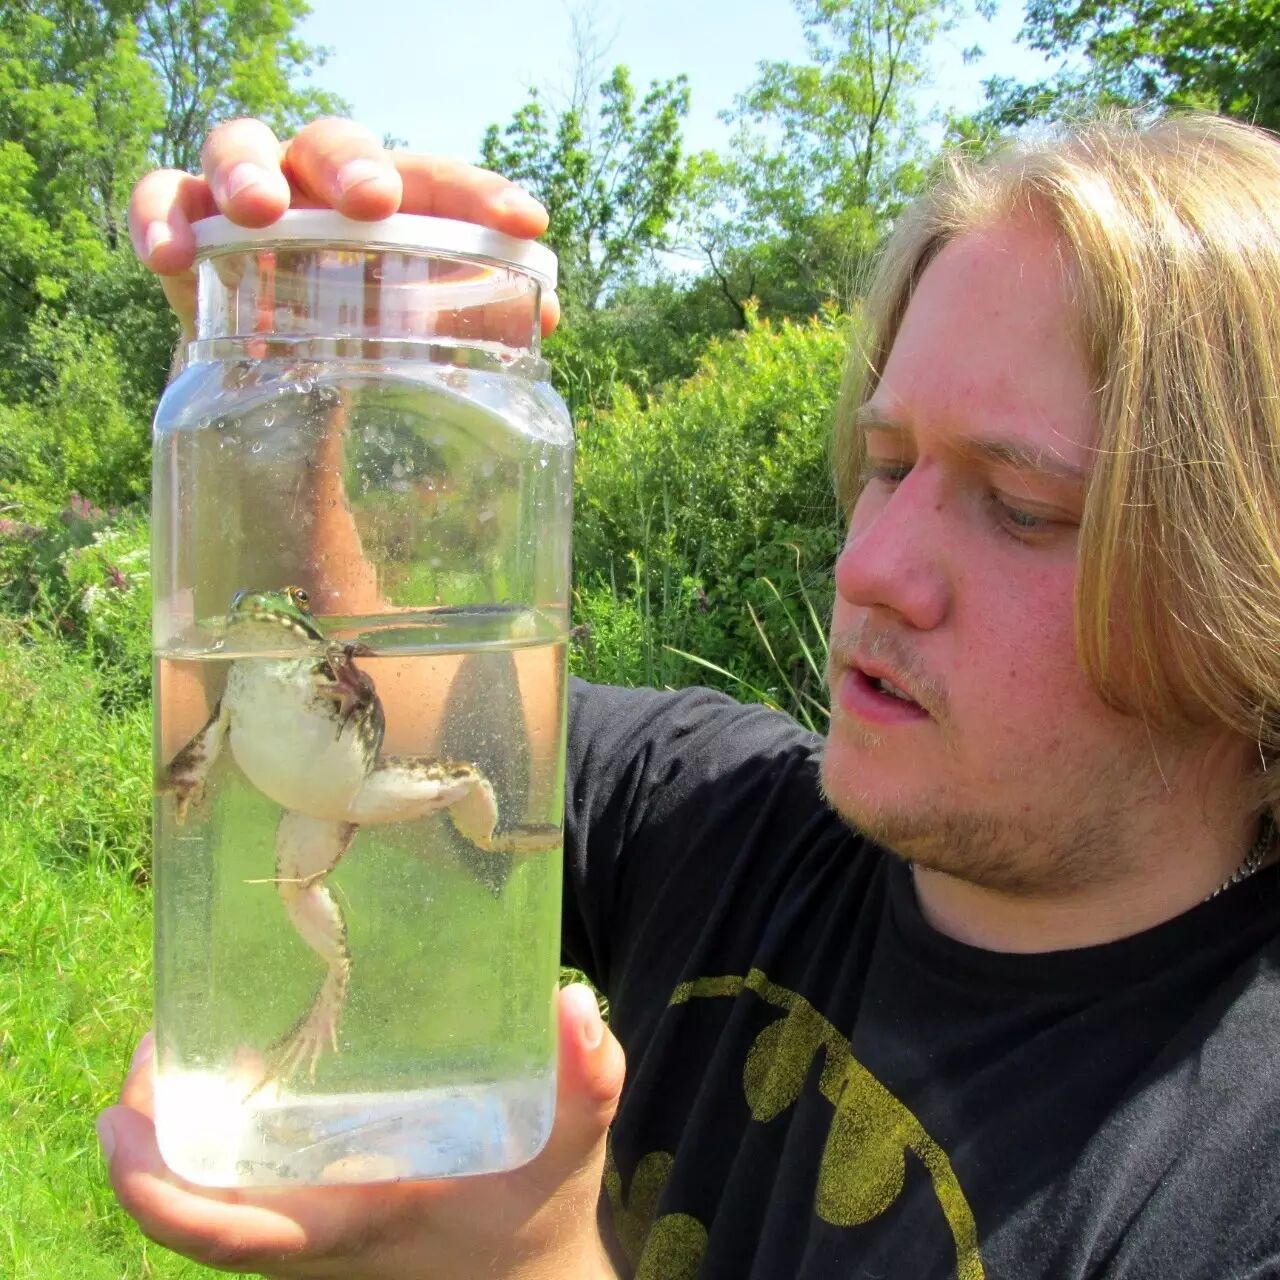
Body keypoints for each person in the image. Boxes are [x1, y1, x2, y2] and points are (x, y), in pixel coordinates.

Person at [100, 113, 1280, 1278]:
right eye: (885, 464)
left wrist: (525, 1264)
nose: (867, 564)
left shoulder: (1234, 1191)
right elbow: (338, 689)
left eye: (1021, 507)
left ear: (1248, 585)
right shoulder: (724, 818)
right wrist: (293, 368)